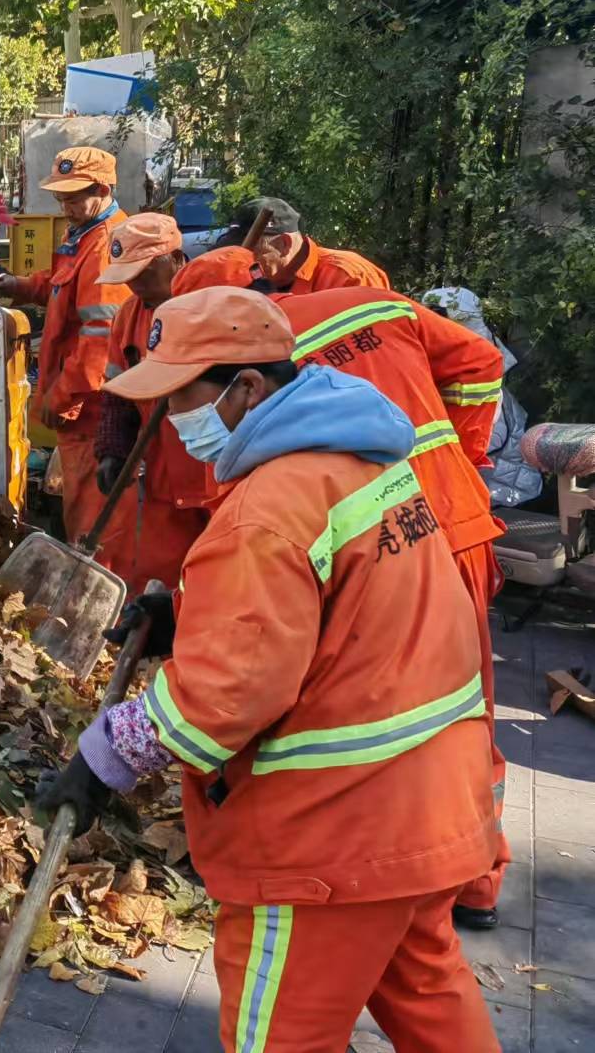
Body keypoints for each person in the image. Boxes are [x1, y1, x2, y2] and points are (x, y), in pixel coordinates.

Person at [39, 286, 500, 1053]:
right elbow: (342, 614)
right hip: (429, 811)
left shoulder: (266, 509)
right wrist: (188, 617)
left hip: (328, 839)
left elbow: (221, 699)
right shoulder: (359, 458)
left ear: (248, 386)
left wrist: (101, 757)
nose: (174, 425)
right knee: (431, 1004)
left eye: (180, 398)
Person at [175, 246, 511, 928]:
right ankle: (463, 876)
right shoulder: (366, 309)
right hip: (433, 509)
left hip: (390, 523)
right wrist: (460, 456)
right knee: (454, 699)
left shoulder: (255, 389)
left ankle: (439, 870)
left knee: (383, 697)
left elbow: (266, 571)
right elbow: (480, 363)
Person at [0, 146, 130, 540]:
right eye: (60, 197)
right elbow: (58, 286)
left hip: (90, 412)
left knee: (88, 517)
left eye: (73, 197)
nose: (65, 205)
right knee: (77, 507)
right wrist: (22, 286)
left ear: (102, 187)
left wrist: (59, 397)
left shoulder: (105, 247)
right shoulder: (80, 235)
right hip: (76, 409)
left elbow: (99, 344)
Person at [91, 212, 208, 594]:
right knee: (155, 574)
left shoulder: (210, 307)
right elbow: (117, 389)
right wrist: (113, 449)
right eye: (129, 275)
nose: (135, 284)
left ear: (174, 260)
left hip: (214, 471)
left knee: (211, 576)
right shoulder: (129, 315)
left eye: (144, 272)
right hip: (160, 472)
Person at [217, 196, 391, 294]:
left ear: (284, 245)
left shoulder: (349, 277)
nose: (242, 263)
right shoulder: (256, 281)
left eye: (251, 254)